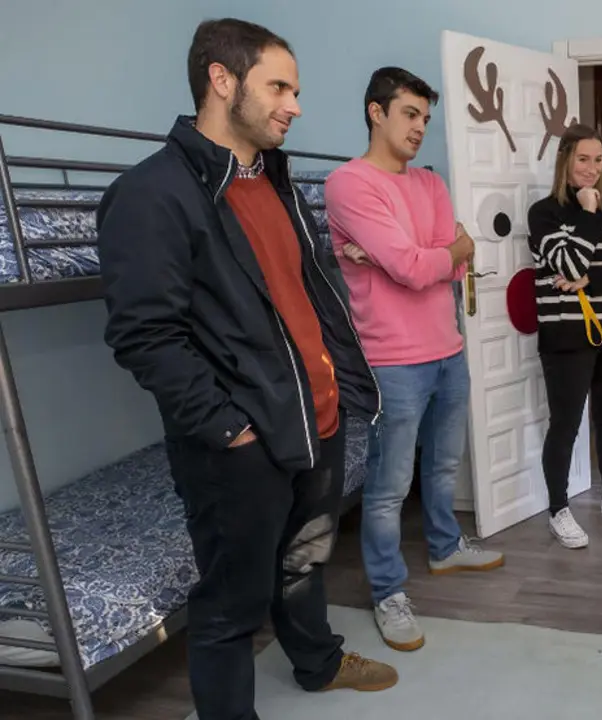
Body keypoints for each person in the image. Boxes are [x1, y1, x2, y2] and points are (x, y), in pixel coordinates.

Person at [96, 18, 396, 719]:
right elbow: (145, 335)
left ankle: (318, 662)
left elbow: (308, 294)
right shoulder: (153, 193)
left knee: (303, 564)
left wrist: (340, 389)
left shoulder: (277, 182)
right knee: (231, 606)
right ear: (222, 80)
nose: (295, 106)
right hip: (241, 445)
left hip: (316, 422)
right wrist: (229, 428)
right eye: (279, 88)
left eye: (295, 90)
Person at [324, 67, 504, 653]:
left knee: (444, 467)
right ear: (376, 112)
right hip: (393, 360)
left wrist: (424, 255)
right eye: (409, 113)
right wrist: (429, 254)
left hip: (448, 348)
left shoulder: (430, 183)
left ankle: (446, 547)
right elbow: (413, 266)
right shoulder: (349, 184)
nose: (420, 127)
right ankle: (387, 592)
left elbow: (450, 264)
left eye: (425, 117)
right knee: (388, 487)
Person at [526, 124, 602, 549]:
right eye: (583, 159)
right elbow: (568, 262)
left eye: (597, 160)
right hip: (566, 336)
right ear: (565, 161)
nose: (592, 168)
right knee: (565, 424)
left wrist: (590, 278)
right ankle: (558, 509)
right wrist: (588, 214)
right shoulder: (544, 214)